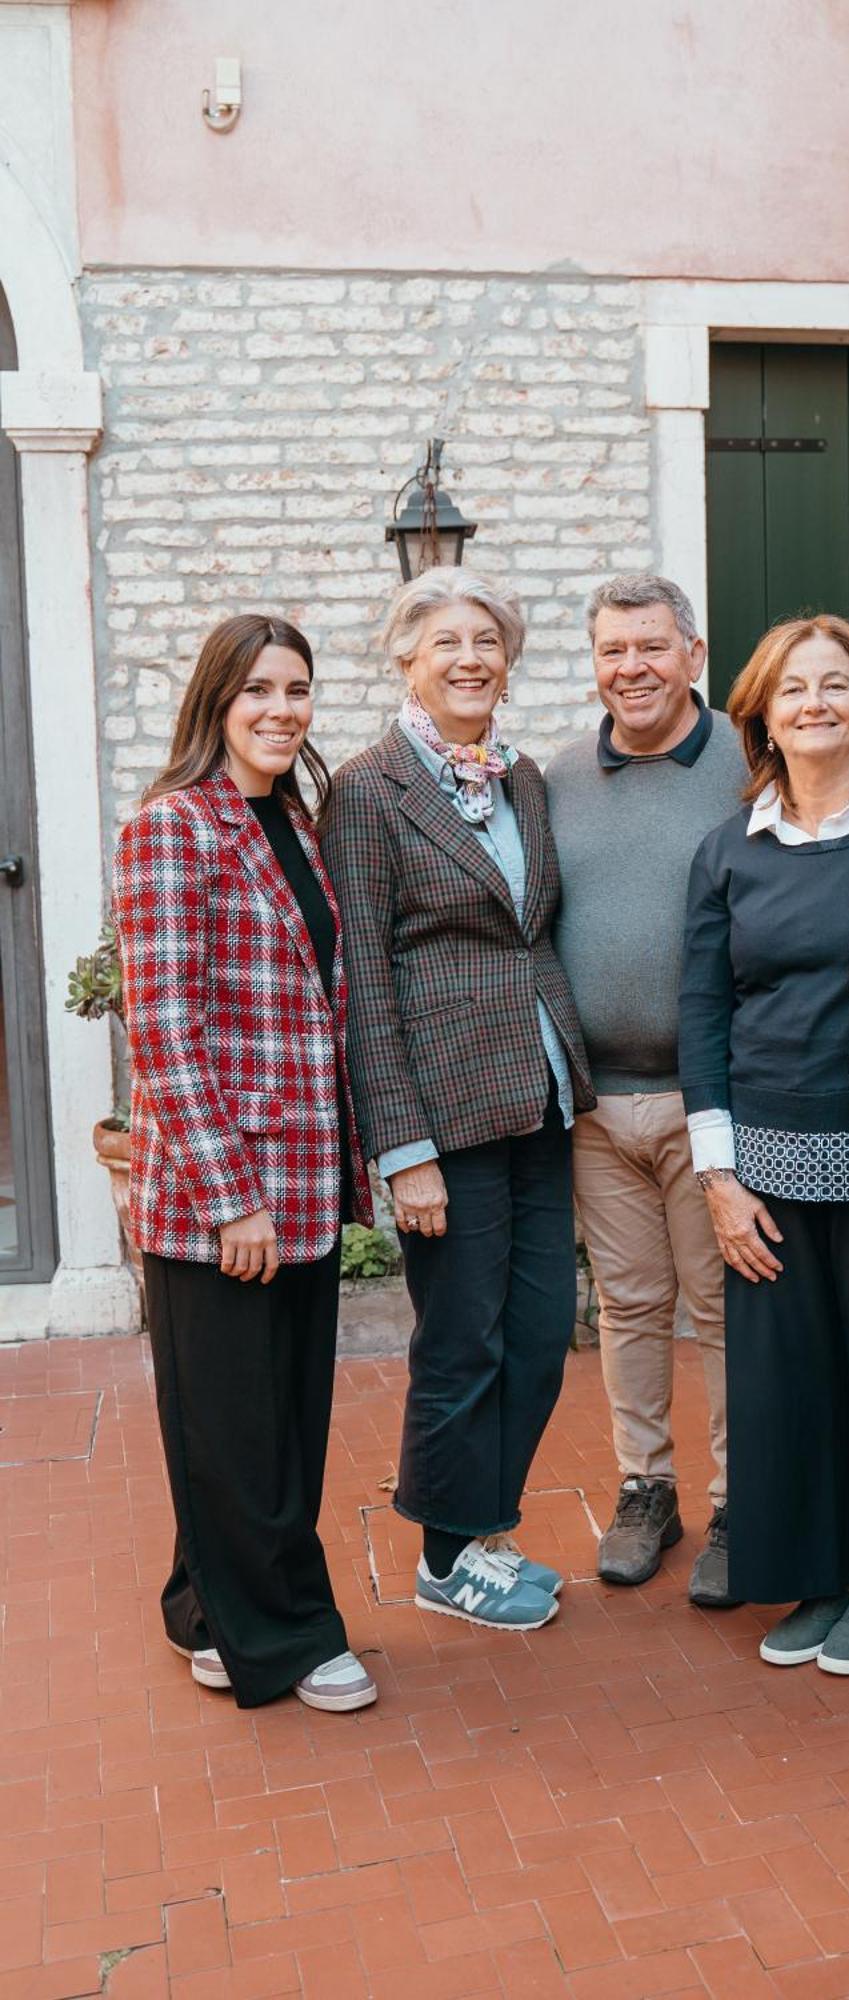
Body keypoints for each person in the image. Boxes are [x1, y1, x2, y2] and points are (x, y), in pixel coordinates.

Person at [113, 614, 378, 1713]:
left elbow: (319, 1006)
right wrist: (232, 1199)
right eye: (258, 689)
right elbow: (163, 1027)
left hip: (304, 1180)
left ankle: (202, 1602)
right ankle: (286, 1633)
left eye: (299, 690)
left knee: (279, 1419)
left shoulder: (297, 827)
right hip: (220, 1195)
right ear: (216, 699)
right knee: (236, 1426)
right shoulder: (173, 828)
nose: (281, 709)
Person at [323, 567, 594, 1634]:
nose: (471, 657)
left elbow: (536, 931)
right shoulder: (367, 787)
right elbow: (367, 985)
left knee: (539, 1334)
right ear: (406, 660)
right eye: (446, 641)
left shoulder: (521, 779)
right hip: (445, 1112)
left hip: (541, 1093)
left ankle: (482, 1523)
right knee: (461, 1341)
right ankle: (445, 1553)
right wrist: (404, 1149)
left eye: (487, 639)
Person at [678, 615, 849, 1673]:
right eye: (792, 689)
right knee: (785, 1384)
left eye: (836, 685)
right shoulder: (726, 850)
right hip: (766, 1163)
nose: (814, 703)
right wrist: (720, 1176)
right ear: (760, 714)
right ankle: (818, 1575)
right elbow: (700, 1012)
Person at [546, 575, 745, 1605]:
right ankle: (646, 1488)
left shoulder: (750, 763)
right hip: (594, 1106)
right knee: (627, 1305)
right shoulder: (557, 776)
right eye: (613, 649)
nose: (632, 667)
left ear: (694, 653)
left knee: (719, 1307)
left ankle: (739, 1501)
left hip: (711, 1100)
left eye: (652, 647)